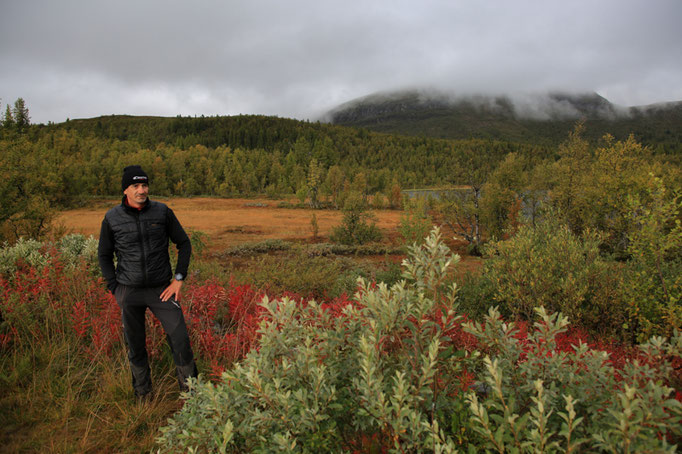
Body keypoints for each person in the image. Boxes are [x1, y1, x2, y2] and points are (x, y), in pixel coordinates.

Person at [98, 165, 198, 399]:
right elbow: (104, 254)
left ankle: (193, 398)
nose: (142, 190)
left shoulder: (162, 212)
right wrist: (114, 287)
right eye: (136, 186)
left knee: (180, 339)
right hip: (129, 291)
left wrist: (178, 279)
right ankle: (144, 395)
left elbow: (184, 243)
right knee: (136, 344)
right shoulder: (112, 218)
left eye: (144, 185)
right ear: (126, 190)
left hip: (161, 289)